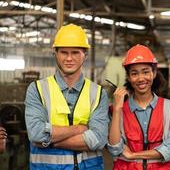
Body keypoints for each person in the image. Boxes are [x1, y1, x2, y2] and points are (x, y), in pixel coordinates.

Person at [25, 24, 109, 169]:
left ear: (85, 55)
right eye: (64, 52)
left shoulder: (98, 93)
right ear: (55, 54)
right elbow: (36, 134)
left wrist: (50, 140)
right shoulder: (37, 89)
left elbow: (98, 139)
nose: (69, 58)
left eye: (75, 52)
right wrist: (79, 128)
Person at [108, 44, 170, 170]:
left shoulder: (169, 108)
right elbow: (114, 148)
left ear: (154, 73)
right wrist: (117, 109)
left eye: (146, 72)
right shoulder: (118, 110)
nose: (141, 78)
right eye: (134, 73)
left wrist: (133, 155)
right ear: (129, 78)